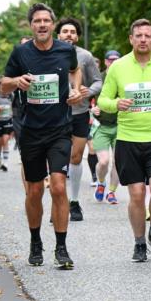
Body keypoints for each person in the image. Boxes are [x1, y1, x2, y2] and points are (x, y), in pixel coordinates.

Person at [2, 3, 83, 269]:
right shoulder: (21, 53)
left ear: (53, 24)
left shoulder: (65, 50)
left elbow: (74, 70)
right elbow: (3, 85)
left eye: (46, 20)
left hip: (60, 129)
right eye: (37, 21)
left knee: (59, 187)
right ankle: (35, 240)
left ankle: (62, 247)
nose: (42, 25)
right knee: (35, 190)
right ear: (31, 25)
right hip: (31, 131)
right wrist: (17, 82)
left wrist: (75, 90)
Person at [97, 19, 151, 262]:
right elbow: (103, 100)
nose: (143, 39)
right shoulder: (118, 67)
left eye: (148, 35)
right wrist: (116, 104)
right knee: (136, 195)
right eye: (139, 35)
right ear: (131, 39)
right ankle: (139, 243)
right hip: (128, 139)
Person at [55, 17, 102, 222]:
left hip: (79, 113)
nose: (69, 35)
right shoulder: (49, 55)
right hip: (55, 114)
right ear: (58, 35)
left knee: (76, 156)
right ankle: (58, 203)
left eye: (73, 32)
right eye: (65, 31)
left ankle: (74, 202)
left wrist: (87, 92)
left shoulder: (85, 56)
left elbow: (99, 81)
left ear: (77, 36)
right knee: (58, 158)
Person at [91, 50, 122, 205]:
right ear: (105, 62)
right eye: (111, 60)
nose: (114, 62)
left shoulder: (125, 78)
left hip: (120, 126)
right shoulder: (98, 79)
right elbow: (86, 98)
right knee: (103, 161)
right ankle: (101, 182)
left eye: (117, 59)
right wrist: (92, 109)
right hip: (101, 126)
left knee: (117, 162)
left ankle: (111, 192)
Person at [0, 77, 14, 171]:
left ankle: (5, 163)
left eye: (3, 83)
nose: (1, 85)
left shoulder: (11, 94)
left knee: (5, 140)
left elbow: (14, 106)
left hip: (8, 120)